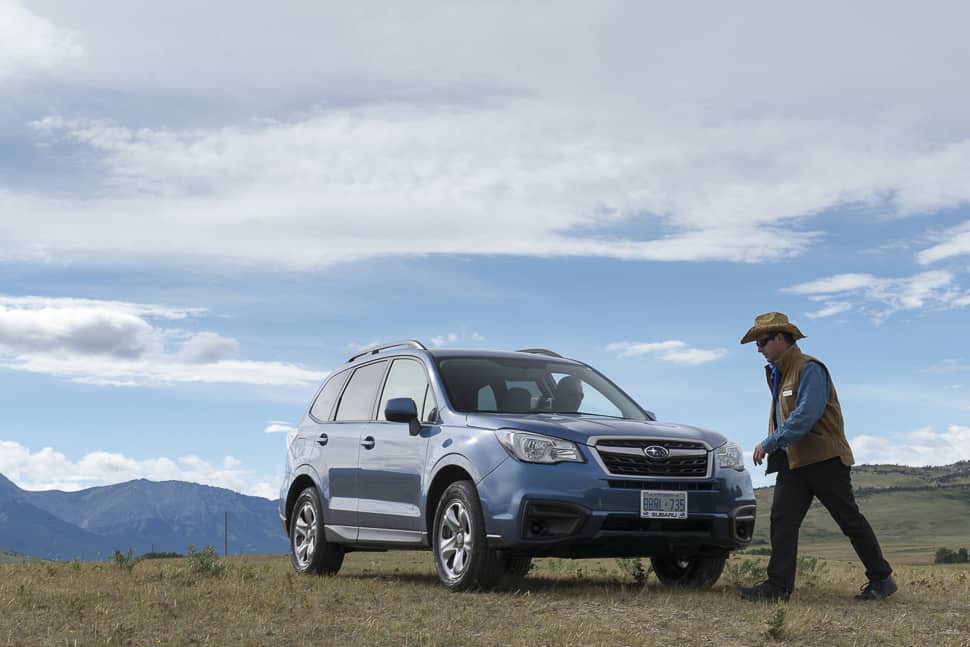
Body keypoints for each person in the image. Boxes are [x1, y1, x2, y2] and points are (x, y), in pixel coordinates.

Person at [736, 312, 896, 602]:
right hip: (793, 461)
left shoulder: (809, 369)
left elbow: (806, 415)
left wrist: (769, 442)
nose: (758, 349)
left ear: (781, 338)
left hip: (824, 459)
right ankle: (778, 587)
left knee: (848, 520)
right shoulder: (778, 373)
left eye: (762, 342)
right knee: (782, 520)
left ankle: (881, 578)